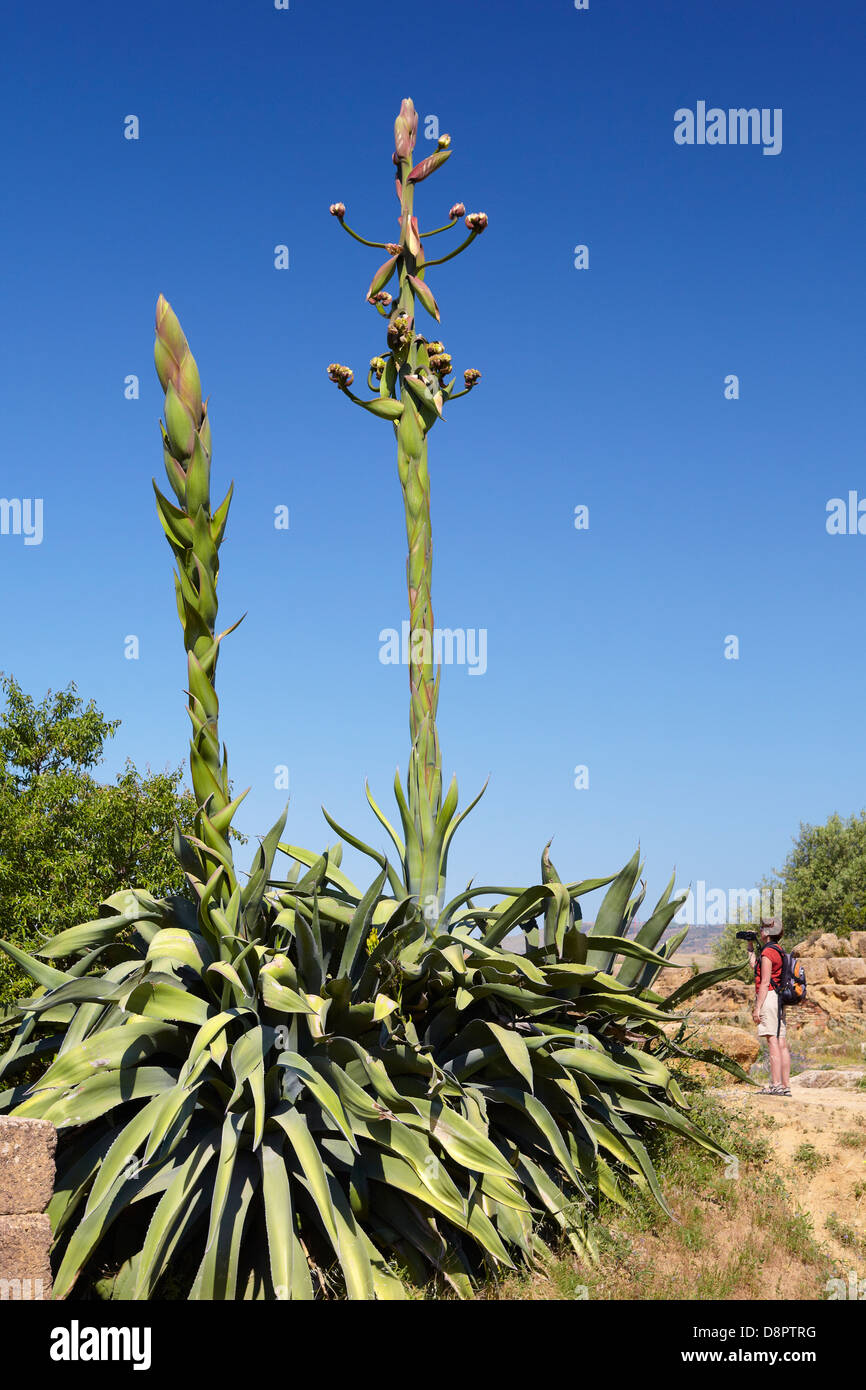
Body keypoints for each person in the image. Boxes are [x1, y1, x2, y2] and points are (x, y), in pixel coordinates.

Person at [748, 917, 791, 1096]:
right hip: (779, 999)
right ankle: (785, 1085)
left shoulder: (767, 953)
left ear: (766, 932)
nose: (760, 931)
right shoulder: (778, 950)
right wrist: (750, 947)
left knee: (772, 1040)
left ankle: (775, 1085)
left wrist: (757, 1008)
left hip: (769, 997)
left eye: (761, 928)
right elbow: (755, 966)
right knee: (781, 1042)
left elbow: (765, 982)